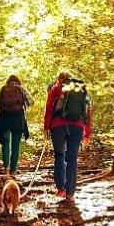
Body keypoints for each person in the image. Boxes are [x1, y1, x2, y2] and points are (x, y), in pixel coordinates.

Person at [43, 70, 92, 200]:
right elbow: (88, 110)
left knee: (59, 155)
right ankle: (70, 193)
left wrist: (46, 127)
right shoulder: (81, 89)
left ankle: (61, 189)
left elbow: (49, 108)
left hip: (58, 126)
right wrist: (87, 133)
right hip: (77, 127)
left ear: (59, 79)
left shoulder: (56, 88)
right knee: (72, 159)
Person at [0, 74, 33, 175]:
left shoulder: (3, 88)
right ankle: (13, 170)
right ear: (17, 81)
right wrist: (21, 103)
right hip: (18, 119)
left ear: (8, 81)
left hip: (4, 119)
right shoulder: (21, 88)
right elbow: (31, 102)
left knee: (5, 143)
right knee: (16, 146)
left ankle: (6, 167)